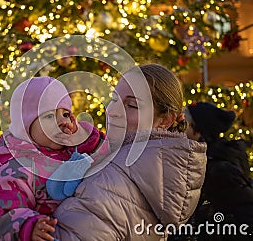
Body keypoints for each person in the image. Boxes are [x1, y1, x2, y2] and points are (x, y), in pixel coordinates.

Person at [53, 64, 207, 240]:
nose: (112, 111)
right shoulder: (150, 173)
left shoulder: (110, 184)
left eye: (132, 105)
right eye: (114, 99)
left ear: (165, 120)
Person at [0, 77, 109, 241]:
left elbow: (106, 157)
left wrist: (83, 137)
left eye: (65, 114)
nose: (62, 122)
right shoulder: (13, 164)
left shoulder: (71, 151)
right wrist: (28, 226)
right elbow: (1, 206)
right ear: (26, 126)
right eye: (49, 116)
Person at [183, 102, 253, 241]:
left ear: (199, 130)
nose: (179, 130)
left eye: (184, 124)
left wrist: (210, 232)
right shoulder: (201, 160)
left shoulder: (219, 169)